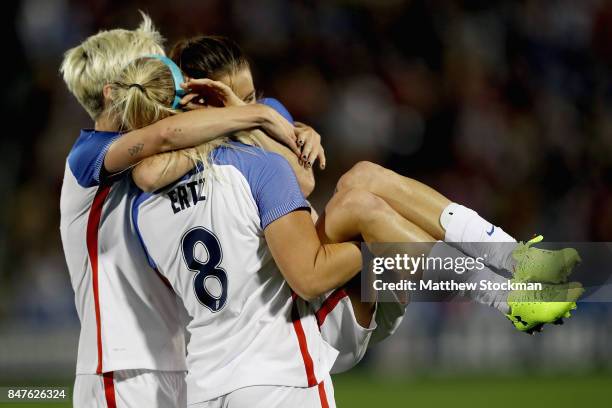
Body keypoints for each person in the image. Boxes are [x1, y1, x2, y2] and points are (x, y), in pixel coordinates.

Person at [116, 54, 583, 405]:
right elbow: (293, 183)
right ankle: (504, 294)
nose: (252, 103)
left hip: (244, 353)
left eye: (253, 94)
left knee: (361, 178)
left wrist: (252, 119)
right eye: (234, 96)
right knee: (362, 205)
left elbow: (302, 175)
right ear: (200, 101)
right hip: (309, 320)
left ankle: (514, 259)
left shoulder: (167, 189)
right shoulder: (231, 157)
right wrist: (240, 123)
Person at [58, 14, 313, 407]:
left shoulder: (173, 143)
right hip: (123, 365)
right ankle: (423, 263)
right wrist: (257, 117)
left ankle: (422, 260)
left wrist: (290, 128)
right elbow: (161, 140)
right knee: (354, 226)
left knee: (362, 204)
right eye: (147, 73)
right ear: (113, 92)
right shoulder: (90, 154)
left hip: (191, 361)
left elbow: (303, 177)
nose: (163, 82)